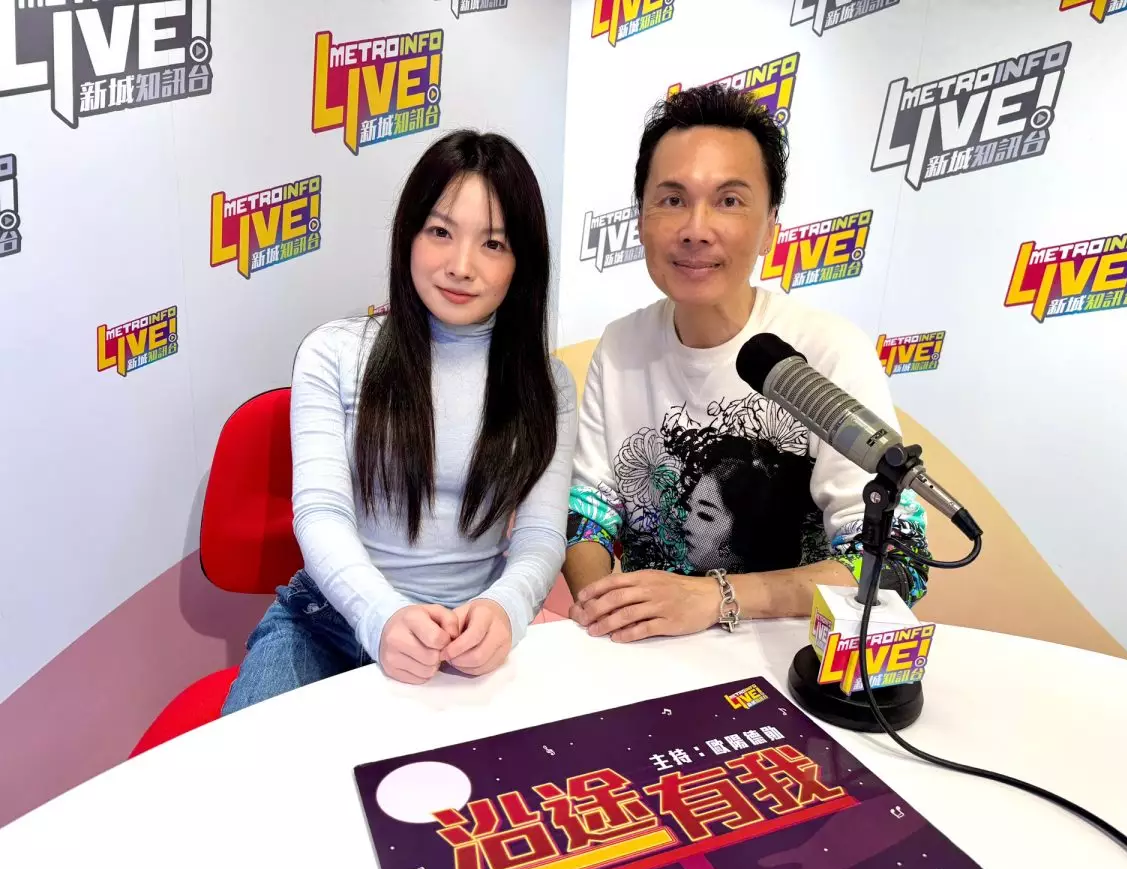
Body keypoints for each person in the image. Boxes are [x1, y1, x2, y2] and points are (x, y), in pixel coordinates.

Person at [222, 130, 577, 714]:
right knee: (251, 767)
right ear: (408, 235)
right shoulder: (335, 354)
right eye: (440, 232)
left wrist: (507, 610)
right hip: (328, 622)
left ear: (523, 262)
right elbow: (320, 512)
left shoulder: (548, 385)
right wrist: (381, 614)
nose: (460, 266)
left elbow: (540, 537)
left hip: (468, 634)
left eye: (493, 243)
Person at [563, 84, 930, 643]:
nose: (696, 229)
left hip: (783, 656)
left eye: (729, 201)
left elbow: (897, 561)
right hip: (649, 655)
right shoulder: (620, 347)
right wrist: (605, 612)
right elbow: (590, 514)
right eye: (672, 199)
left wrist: (715, 598)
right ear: (640, 220)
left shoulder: (828, 352)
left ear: (770, 227)